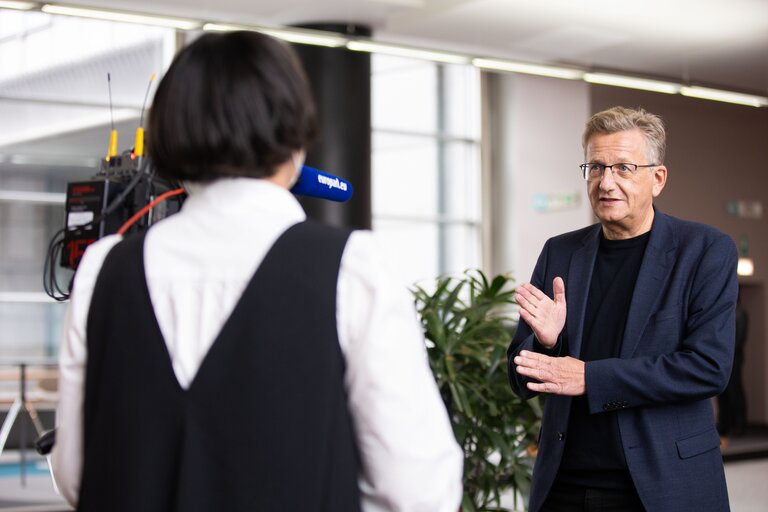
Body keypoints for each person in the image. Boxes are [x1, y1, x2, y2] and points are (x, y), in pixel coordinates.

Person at [52, 31, 462, 512]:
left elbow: (76, 472)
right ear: (295, 139)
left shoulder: (103, 268)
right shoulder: (354, 267)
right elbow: (418, 490)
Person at [507, 106, 737, 512]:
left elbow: (707, 367)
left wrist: (591, 378)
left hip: (663, 483)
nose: (606, 182)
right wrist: (546, 343)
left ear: (658, 178)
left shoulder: (704, 250)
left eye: (624, 168)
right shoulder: (560, 251)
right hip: (564, 484)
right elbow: (519, 376)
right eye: (595, 168)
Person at [718, 290, 749, 441]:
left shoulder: (740, 313)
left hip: (734, 360)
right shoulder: (728, 313)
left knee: (735, 392)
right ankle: (725, 424)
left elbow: (738, 339)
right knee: (723, 393)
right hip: (724, 359)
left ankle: (739, 424)